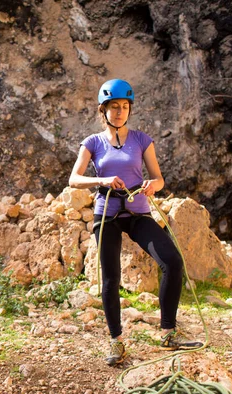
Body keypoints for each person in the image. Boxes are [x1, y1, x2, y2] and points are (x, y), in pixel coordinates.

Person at [68, 79, 202, 366]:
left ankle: (168, 332)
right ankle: (116, 341)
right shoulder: (92, 143)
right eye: (114, 106)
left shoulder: (142, 140)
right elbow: (74, 179)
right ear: (102, 110)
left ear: (130, 109)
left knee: (172, 261)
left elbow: (158, 177)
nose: (119, 111)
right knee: (111, 280)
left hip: (138, 212)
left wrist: (153, 185)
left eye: (124, 106)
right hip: (107, 215)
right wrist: (102, 179)